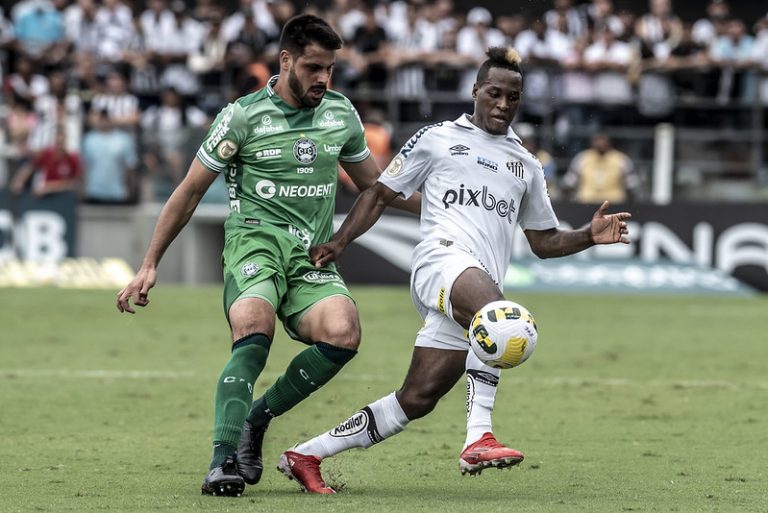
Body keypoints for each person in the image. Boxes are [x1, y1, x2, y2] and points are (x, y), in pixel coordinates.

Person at [277, 47, 632, 494]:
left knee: (416, 399)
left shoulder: (526, 164)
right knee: (502, 320)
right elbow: (380, 192)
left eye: (513, 98)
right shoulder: (438, 137)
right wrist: (340, 240)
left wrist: (586, 235)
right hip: (439, 262)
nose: (503, 105)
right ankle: (478, 437)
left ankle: (307, 453)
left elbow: (542, 242)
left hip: (476, 285)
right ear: (476, 91)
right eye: (495, 94)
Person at [115, 14, 418, 497]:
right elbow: (189, 191)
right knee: (255, 326)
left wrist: (452, 203)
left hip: (309, 257)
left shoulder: (341, 114)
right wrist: (150, 263)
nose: (323, 78)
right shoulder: (243, 115)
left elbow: (377, 189)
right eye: (314, 67)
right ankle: (222, 461)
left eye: (330, 69)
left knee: (344, 333)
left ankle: (257, 420)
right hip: (253, 246)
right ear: (286, 60)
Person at [561, 132, 640, 204]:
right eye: (597, 140)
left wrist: (630, 203)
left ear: (609, 142)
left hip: (614, 203)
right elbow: (569, 182)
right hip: (586, 202)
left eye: (603, 140)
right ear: (592, 142)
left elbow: (632, 184)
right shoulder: (582, 158)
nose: (600, 143)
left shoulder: (621, 159)